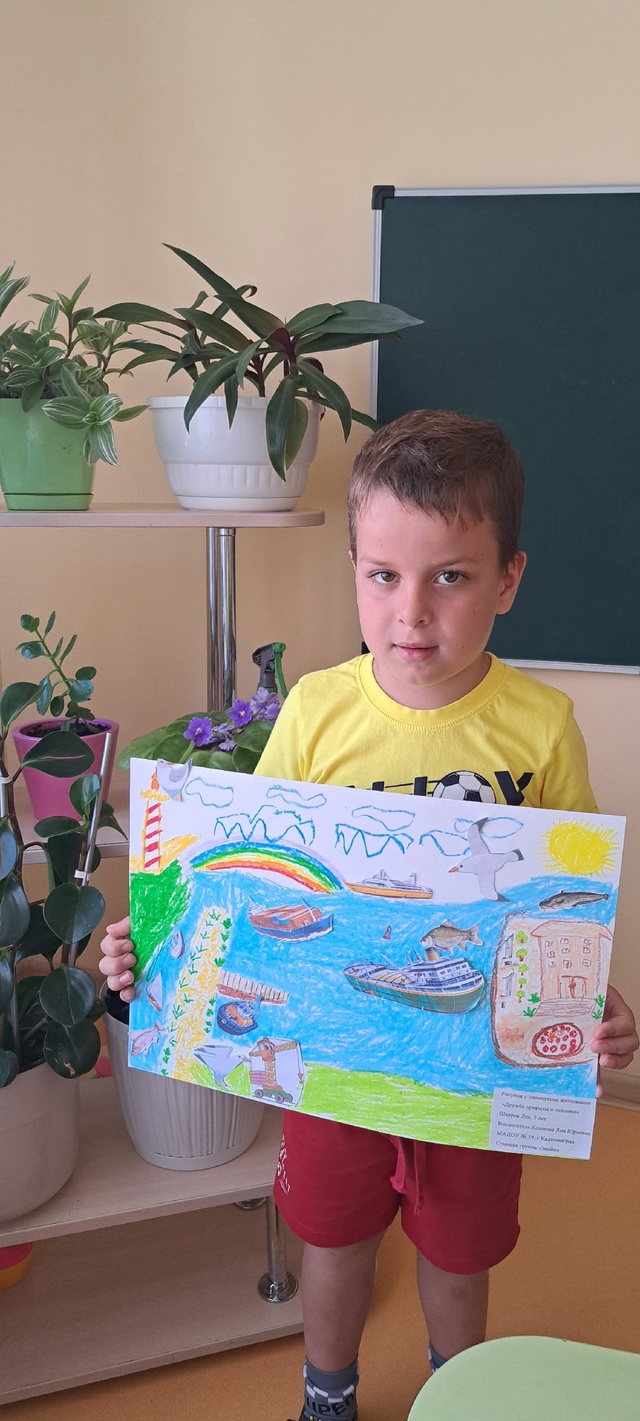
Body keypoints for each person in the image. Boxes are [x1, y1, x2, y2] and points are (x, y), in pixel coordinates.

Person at [100, 410, 639, 1421]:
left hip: (469, 1068)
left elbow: (565, 905)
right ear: (353, 567)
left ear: (509, 579)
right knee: (334, 1234)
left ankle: (458, 1391)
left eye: (451, 576)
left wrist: (592, 1000)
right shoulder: (315, 710)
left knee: (460, 1251)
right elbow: (244, 871)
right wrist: (153, 944)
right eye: (384, 575)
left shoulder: (541, 726)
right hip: (331, 1060)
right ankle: (328, 1393)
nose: (411, 613)